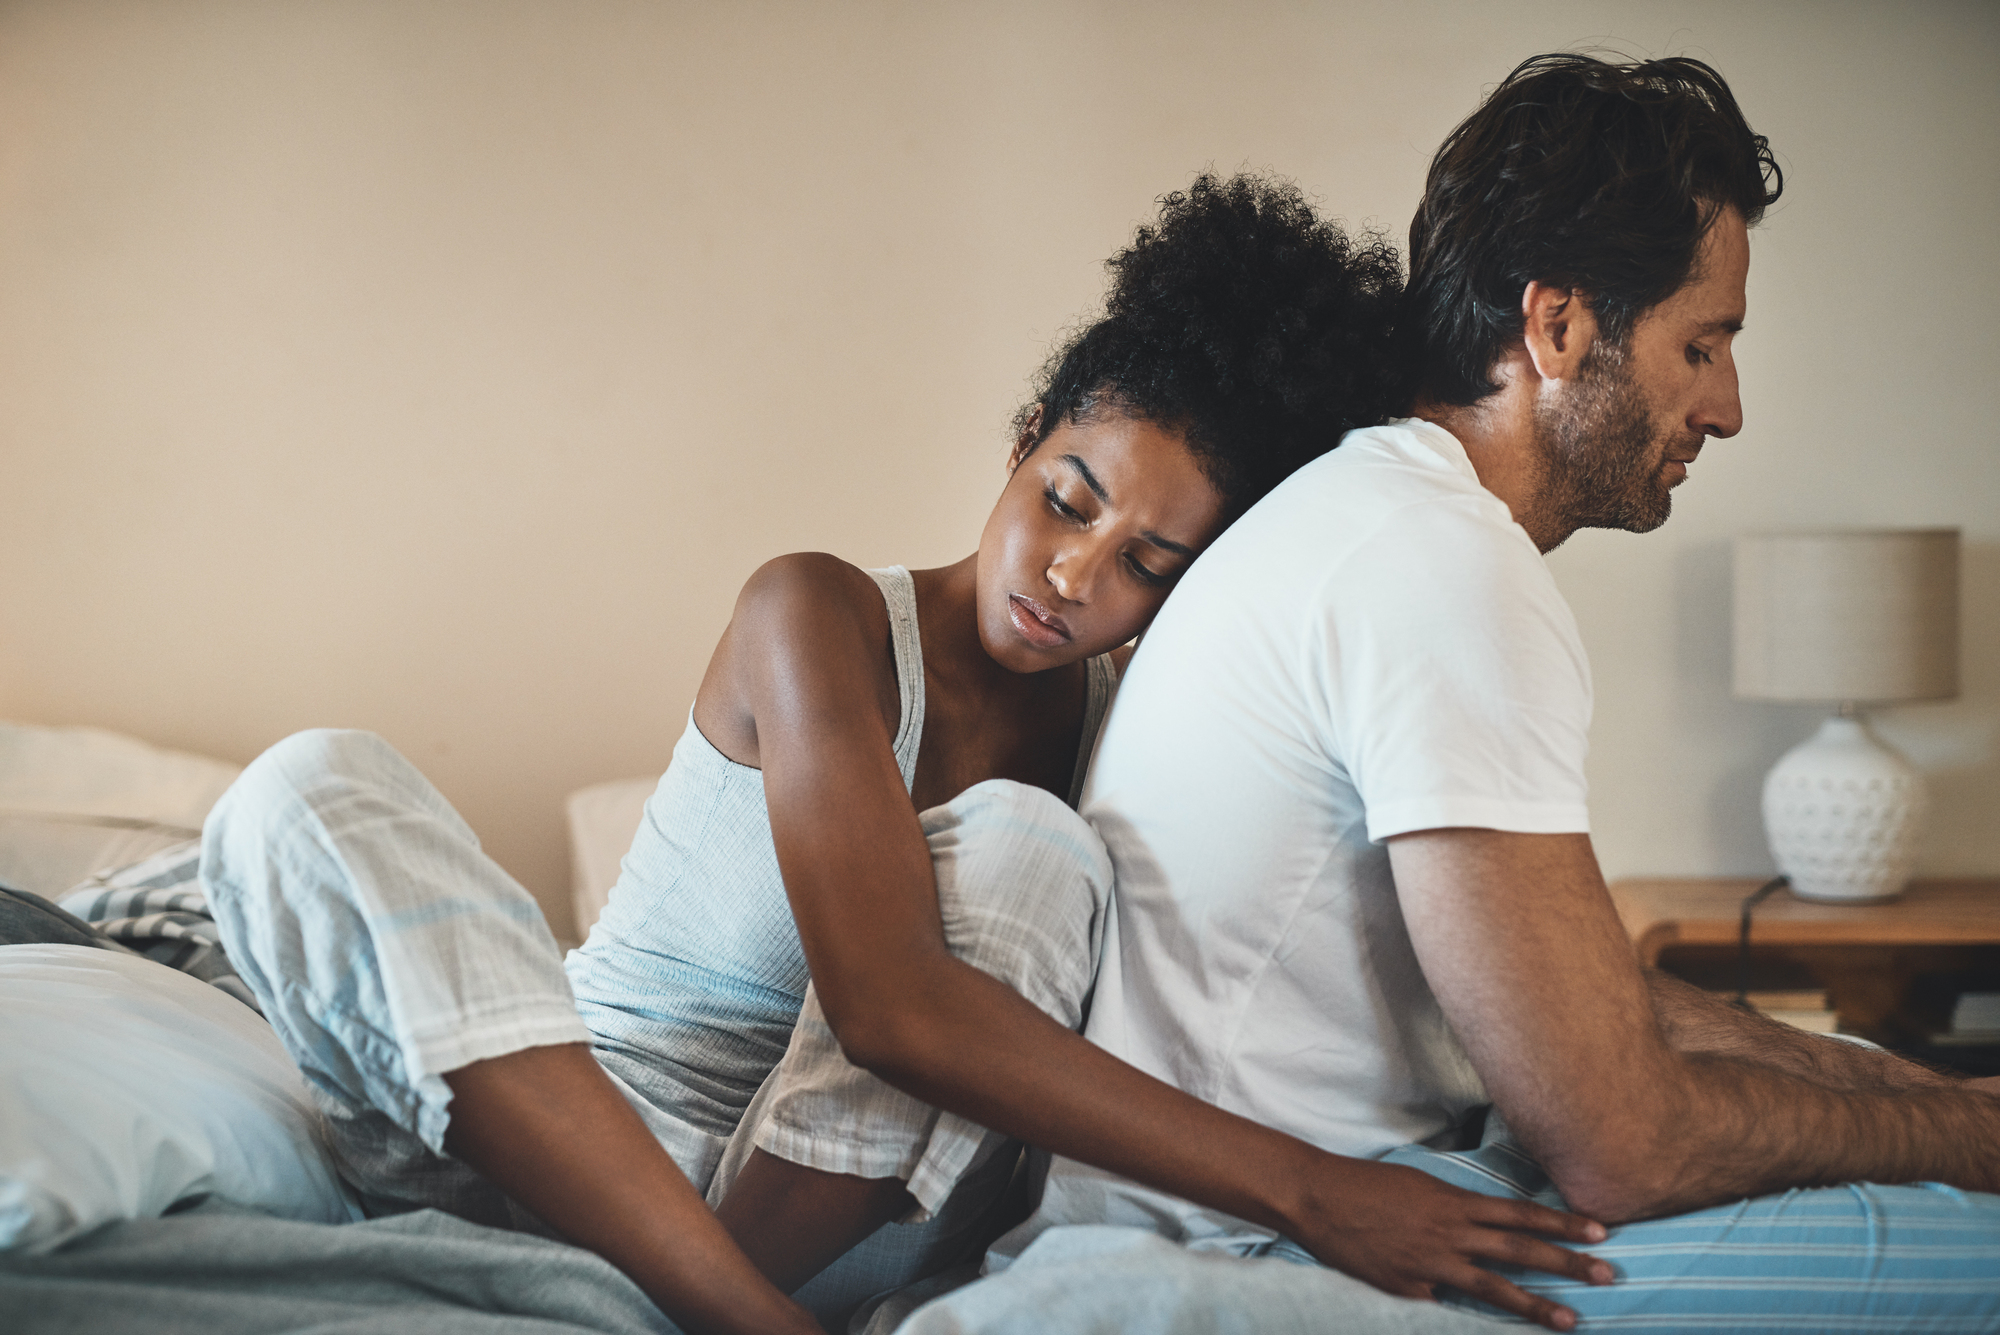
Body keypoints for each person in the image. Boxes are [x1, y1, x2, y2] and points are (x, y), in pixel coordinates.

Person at [200, 174, 1609, 1335]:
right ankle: (701, 1308)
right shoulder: (814, 611)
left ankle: (685, 1307)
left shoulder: (1131, 740)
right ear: (1022, 442)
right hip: (543, 1132)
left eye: (1145, 565)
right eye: (1066, 498)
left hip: (815, 1225)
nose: (1072, 572)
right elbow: (886, 1000)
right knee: (308, 786)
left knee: (1034, 850)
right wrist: (1310, 1189)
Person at [888, 54, 2000, 1331]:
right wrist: (1956, 1136)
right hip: (1253, 1247)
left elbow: (1579, 1003)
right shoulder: (1442, 566)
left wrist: (1904, 1093)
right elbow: (1620, 1142)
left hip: (1367, 1174)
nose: (1726, 407)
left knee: (1883, 1098)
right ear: (1558, 326)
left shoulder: (1380, 514)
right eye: (1700, 345)